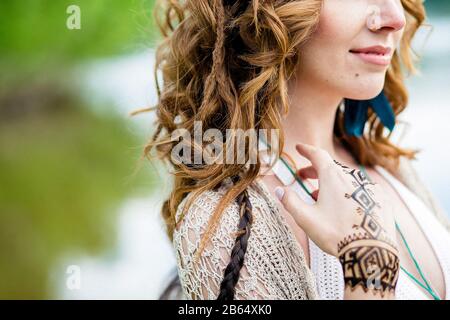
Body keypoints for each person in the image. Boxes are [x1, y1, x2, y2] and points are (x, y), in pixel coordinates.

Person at [139, 0, 450, 300]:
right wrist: (369, 271)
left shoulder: (390, 167)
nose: (394, 17)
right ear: (268, 7)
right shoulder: (225, 227)